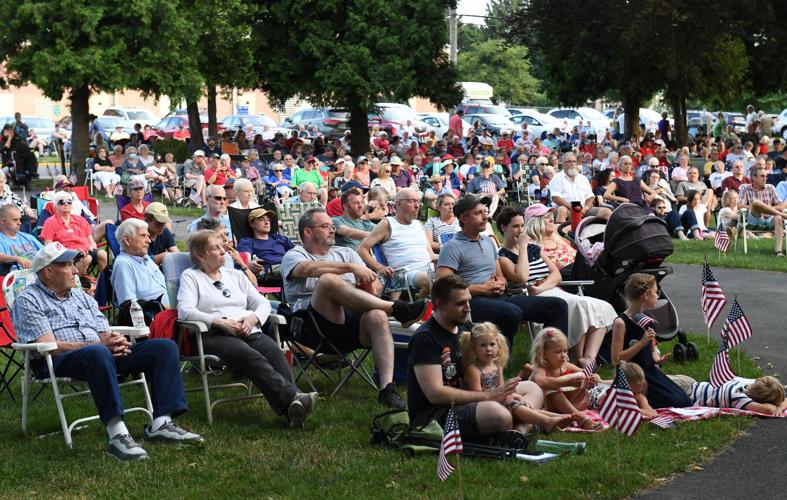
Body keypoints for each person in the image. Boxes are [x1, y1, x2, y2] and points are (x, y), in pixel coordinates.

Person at [13, 242, 203, 461]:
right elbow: (49, 345)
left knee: (164, 347)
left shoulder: (81, 296)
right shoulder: (29, 300)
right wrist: (98, 347)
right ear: (48, 271)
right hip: (56, 361)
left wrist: (115, 340)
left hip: (100, 354)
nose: (76, 270)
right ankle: (117, 434)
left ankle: (161, 422)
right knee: (97, 353)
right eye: (68, 265)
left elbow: (103, 331)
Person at [280, 207, 429, 409]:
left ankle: (387, 389)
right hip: (313, 328)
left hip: (351, 327)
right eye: (325, 226)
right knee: (327, 280)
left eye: (333, 226)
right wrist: (351, 269)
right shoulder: (294, 254)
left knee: (376, 314)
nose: (332, 230)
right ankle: (397, 309)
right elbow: (307, 269)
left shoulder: (346, 252)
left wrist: (367, 285)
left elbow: (375, 287)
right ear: (308, 231)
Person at [408, 275, 571, 444]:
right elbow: (435, 394)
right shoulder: (425, 338)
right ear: (440, 304)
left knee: (533, 388)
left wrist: (505, 393)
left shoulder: (464, 328)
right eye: (460, 304)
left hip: (472, 399)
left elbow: (488, 367)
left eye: (468, 301)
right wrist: (487, 396)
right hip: (436, 414)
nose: (468, 308)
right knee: (498, 414)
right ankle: (522, 424)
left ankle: (517, 432)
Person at [178, 230, 317, 428]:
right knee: (250, 356)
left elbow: (262, 302)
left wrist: (253, 318)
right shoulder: (191, 277)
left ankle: (293, 408)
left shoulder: (235, 275)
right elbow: (185, 311)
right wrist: (219, 322)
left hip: (247, 329)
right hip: (212, 335)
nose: (223, 252)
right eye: (216, 248)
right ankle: (293, 398)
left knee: (274, 352)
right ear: (201, 255)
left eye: (222, 247)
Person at [436, 193, 568, 347]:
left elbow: (500, 275)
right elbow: (443, 285)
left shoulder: (488, 241)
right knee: (511, 312)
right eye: (478, 213)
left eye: (485, 212)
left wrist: (501, 283)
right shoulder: (452, 247)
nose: (485, 217)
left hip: (500, 297)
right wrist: (483, 289)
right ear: (464, 218)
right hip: (473, 302)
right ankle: (499, 363)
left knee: (558, 306)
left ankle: (550, 359)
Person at [497, 206, 615, 365]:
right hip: (531, 296)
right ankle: (578, 358)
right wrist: (523, 247)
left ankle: (588, 358)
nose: (520, 230)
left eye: (522, 225)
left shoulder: (535, 249)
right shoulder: (503, 255)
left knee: (601, 306)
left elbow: (556, 274)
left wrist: (542, 286)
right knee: (581, 305)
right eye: (515, 226)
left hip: (548, 290)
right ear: (504, 228)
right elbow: (522, 276)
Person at [611, 273, 691, 408]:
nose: (658, 296)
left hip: (650, 372)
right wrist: (641, 344)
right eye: (655, 292)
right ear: (646, 295)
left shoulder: (647, 321)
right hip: (633, 377)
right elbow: (616, 360)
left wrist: (657, 358)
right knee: (678, 403)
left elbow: (651, 349)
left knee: (684, 400)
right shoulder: (621, 323)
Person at [358, 188, 436, 295]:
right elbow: (361, 249)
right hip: (404, 274)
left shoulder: (419, 224)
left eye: (418, 201)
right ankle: (420, 309)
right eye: (412, 201)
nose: (417, 205)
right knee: (429, 279)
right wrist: (379, 267)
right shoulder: (387, 224)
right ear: (398, 204)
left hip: (429, 268)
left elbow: (431, 255)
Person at [528, 328, 603, 429]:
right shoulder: (541, 368)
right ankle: (581, 419)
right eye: (558, 351)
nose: (564, 355)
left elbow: (584, 373)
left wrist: (593, 377)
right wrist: (567, 381)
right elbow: (541, 382)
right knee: (552, 390)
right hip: (542, 405)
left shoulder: (565, 365)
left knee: (582, 382)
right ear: (544, 353)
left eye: (565, 351)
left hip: (565, 406)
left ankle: (573, 413)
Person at [111, 219, 168, 325]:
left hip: (170, 305)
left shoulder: (145, 258)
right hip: (157, 313)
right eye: (143, 236)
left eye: (148, 235)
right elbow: (129, 305)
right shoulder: (123, 264)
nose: (149, 240)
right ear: (127, 240)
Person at [40, 191, 106, 277]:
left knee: (102, 254)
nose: (66, 204)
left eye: (69, 201)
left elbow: (91, 241)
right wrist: (69, 252)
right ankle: (77, 284)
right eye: (61, 202)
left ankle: (101, 283)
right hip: (66, 254)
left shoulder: (80, 220)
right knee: (87, 259)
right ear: (55, 206)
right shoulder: (51, 222)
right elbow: (48, 246)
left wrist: (91, 246)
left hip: (86, 251)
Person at [738, 165, 787, 256]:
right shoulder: (745, 188)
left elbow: (781, 205)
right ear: (753, 178)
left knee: (778, 218)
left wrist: (764, 209)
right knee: (756, 203)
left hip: (769, 220)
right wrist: (756, 208)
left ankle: (779, 251)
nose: (765, 178)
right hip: (754, 219)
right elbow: (740, 205)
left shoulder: (770, 188)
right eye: (762, 176)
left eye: (766, 176)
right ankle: (785, 216)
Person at [548, 152, 610, 223]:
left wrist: (585, 208)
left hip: (583, 209)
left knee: (606, 212)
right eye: (569, 162)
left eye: (574, 161)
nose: (572, 164)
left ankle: (606, 234)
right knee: (562, 210)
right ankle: (560, 233)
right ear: (563, 164)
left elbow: (590, 197)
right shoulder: (557, 178)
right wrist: (573, 208)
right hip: (567, 208)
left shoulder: (583, 178)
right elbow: (555, 198)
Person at [587, 360, 657, 418]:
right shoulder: (610, 397)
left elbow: (653, 414)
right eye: (632, 392)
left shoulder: (638, 396)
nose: (635, 395)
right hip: (594, 391)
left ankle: (601, 381)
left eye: (638, 392)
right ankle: (599, 381)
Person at [237, 207, 294, 277]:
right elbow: (244, 261)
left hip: (290, 265)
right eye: (261, 219)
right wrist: (249, 264)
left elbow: (298, 252)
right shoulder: (247, 241)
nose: (267, 222)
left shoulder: (280, 238)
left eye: (268, 219)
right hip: (271, 273)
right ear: (252, 224)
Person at [688, 376, 787, 415]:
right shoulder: (738, 397)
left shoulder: (748, 384)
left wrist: (780, 406)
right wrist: (780, 407)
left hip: (690, 385)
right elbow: (769, 409)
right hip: (687, 393)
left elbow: (780, 402)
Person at [0, 204, 43, 271]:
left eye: (19, 219)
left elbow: (45, 251)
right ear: (2, 221)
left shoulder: (28, 237)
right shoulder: (2, 239)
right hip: (17, 276)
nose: (19, 223)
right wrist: (17, 259)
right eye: (15, 220)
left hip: (39, 272)